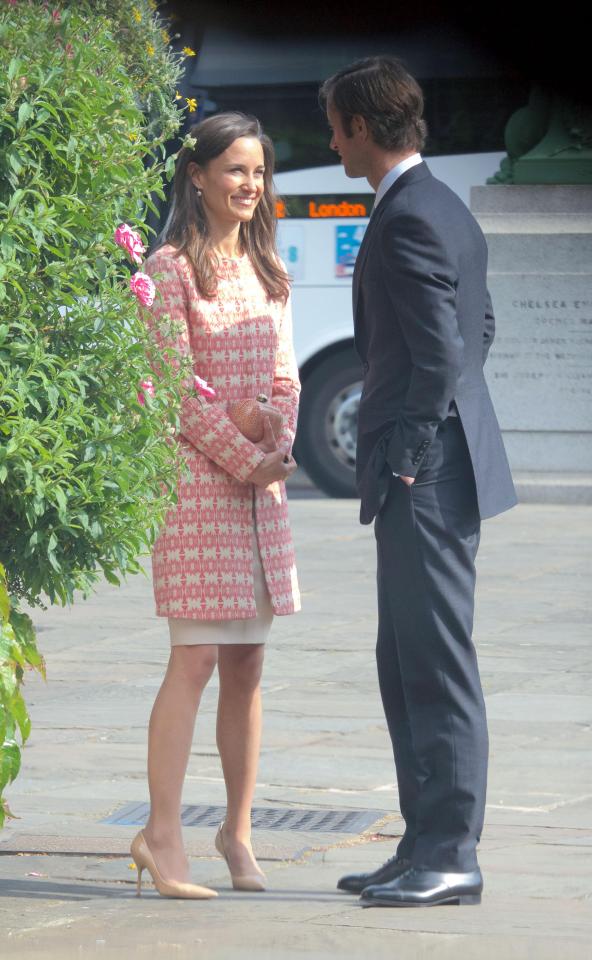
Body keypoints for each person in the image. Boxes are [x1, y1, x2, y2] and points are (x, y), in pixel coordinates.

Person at [320, 58, 517, 908]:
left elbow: (443, 347)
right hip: (443, 462)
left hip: (426, 472)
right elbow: (479, 325)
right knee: (402, 660)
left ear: (362, 127)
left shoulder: (407, 217)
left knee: (432, 664)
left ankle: (450, 853)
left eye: (333, 126)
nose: (330, 141)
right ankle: (421, 844)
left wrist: (406, 448)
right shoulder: (441, 205)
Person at [130, 112, 300, 899]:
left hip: (259, 492)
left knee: (248, 664)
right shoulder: (168, 270)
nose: (248, 185)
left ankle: (237, 831)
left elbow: (285, 377)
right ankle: (160, 835)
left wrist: (275, 431)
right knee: (194, 657)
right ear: (195, 175)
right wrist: (243, 448)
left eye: (258, 172)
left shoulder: (270, 268)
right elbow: (172, 394)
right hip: (197, 490)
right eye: (234, 169)